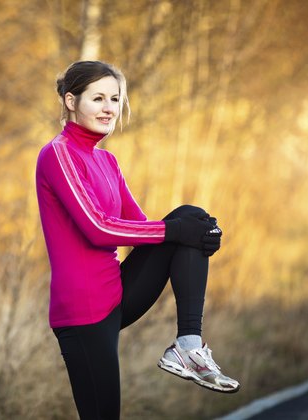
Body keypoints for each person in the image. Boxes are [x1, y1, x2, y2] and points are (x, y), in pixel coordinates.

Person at [35, 61, 239, 420]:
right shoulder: (59, 154)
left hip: (116, 293)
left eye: (114, 98)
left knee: (190, 216)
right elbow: (98, 229)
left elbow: (144, 229)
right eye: (97, 98)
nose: (108, 108)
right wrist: (176, 233)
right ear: (71, 101)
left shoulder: (107, 161)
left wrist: (197, 239)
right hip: (83, 311)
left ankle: (188, 347)